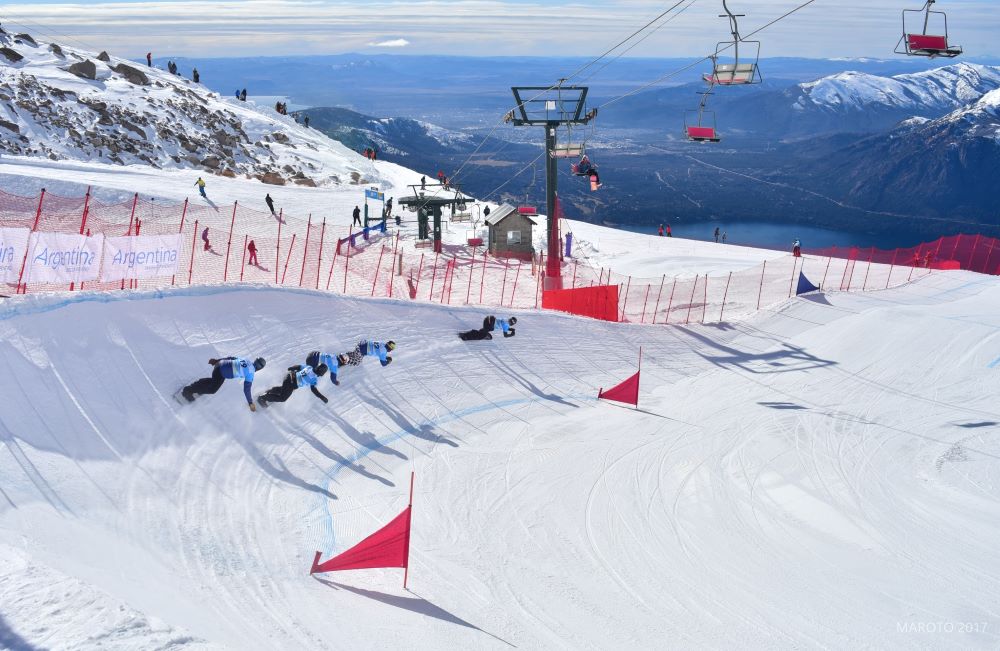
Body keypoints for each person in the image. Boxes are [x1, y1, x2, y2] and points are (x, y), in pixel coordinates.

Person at [179, 356, 265, 411]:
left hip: (219, 366)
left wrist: (217, 360)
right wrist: (250, 402)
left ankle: (197, 385)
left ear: (255, 361)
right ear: (259, 369)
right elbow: (247, 389)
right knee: (212, 389)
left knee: (214, 381)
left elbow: (231, 358)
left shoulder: (246, 360)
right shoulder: (251, 373)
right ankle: (187, 391)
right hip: (221, 372)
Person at [257, 364, 329, 408]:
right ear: (321, 372)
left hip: (289, 376)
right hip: (291, 383)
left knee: (283, 389)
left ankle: (269, 391)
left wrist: (291, 368)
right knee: (283, 398)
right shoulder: (314, 379)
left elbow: (299, 366)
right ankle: (262, 398)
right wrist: (322, 397)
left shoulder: (309, 367)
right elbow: (314, 390)